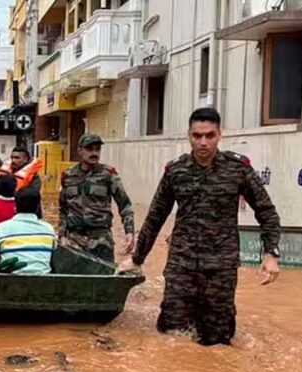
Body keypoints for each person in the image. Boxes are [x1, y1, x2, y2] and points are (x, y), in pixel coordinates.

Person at [116, 108, 281, 346]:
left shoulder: (238, 169)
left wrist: (271, 252)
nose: (203, 142)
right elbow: (155, 217)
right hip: (181, 266)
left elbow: (266, 212)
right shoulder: (176, 170)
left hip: (220, 268)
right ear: (189, 135)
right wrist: (137, 258)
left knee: (217, 340)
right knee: (172, 336)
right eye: (197, 135)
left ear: (220, 134)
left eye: (209, 135)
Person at [58, 133, 135, 263]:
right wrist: (61, 235)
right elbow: (63, 208)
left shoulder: (108, 175)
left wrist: (130, 232)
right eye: (90, 149)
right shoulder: (68, 175)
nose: (94, 153)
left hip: (101, 239)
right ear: (80, 151)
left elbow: (125, 205)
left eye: (97, 149)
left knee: (104, 278)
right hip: (74, 239)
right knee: (74, 280)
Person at [0, 189, 56, 275]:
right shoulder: (48, 229)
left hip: (10, 281)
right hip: (44, 281)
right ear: (38, 206)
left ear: (15, 206)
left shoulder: (2, 228)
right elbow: (53, 252)